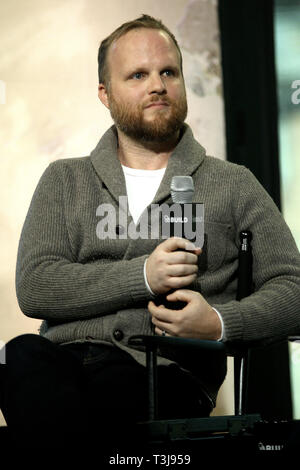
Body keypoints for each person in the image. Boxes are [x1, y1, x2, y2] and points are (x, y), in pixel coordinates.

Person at [1, 14, 300, 454]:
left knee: (104, 397)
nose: (157, 85)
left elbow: (293, 291)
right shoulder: (64, 181)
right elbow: (36, 286)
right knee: (18, 355)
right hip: (60, 369)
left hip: (165, 373)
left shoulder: (233, 184)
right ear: (105, 94)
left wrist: (219, 323)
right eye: (138, 74)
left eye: (168, 72)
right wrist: (142, 275)